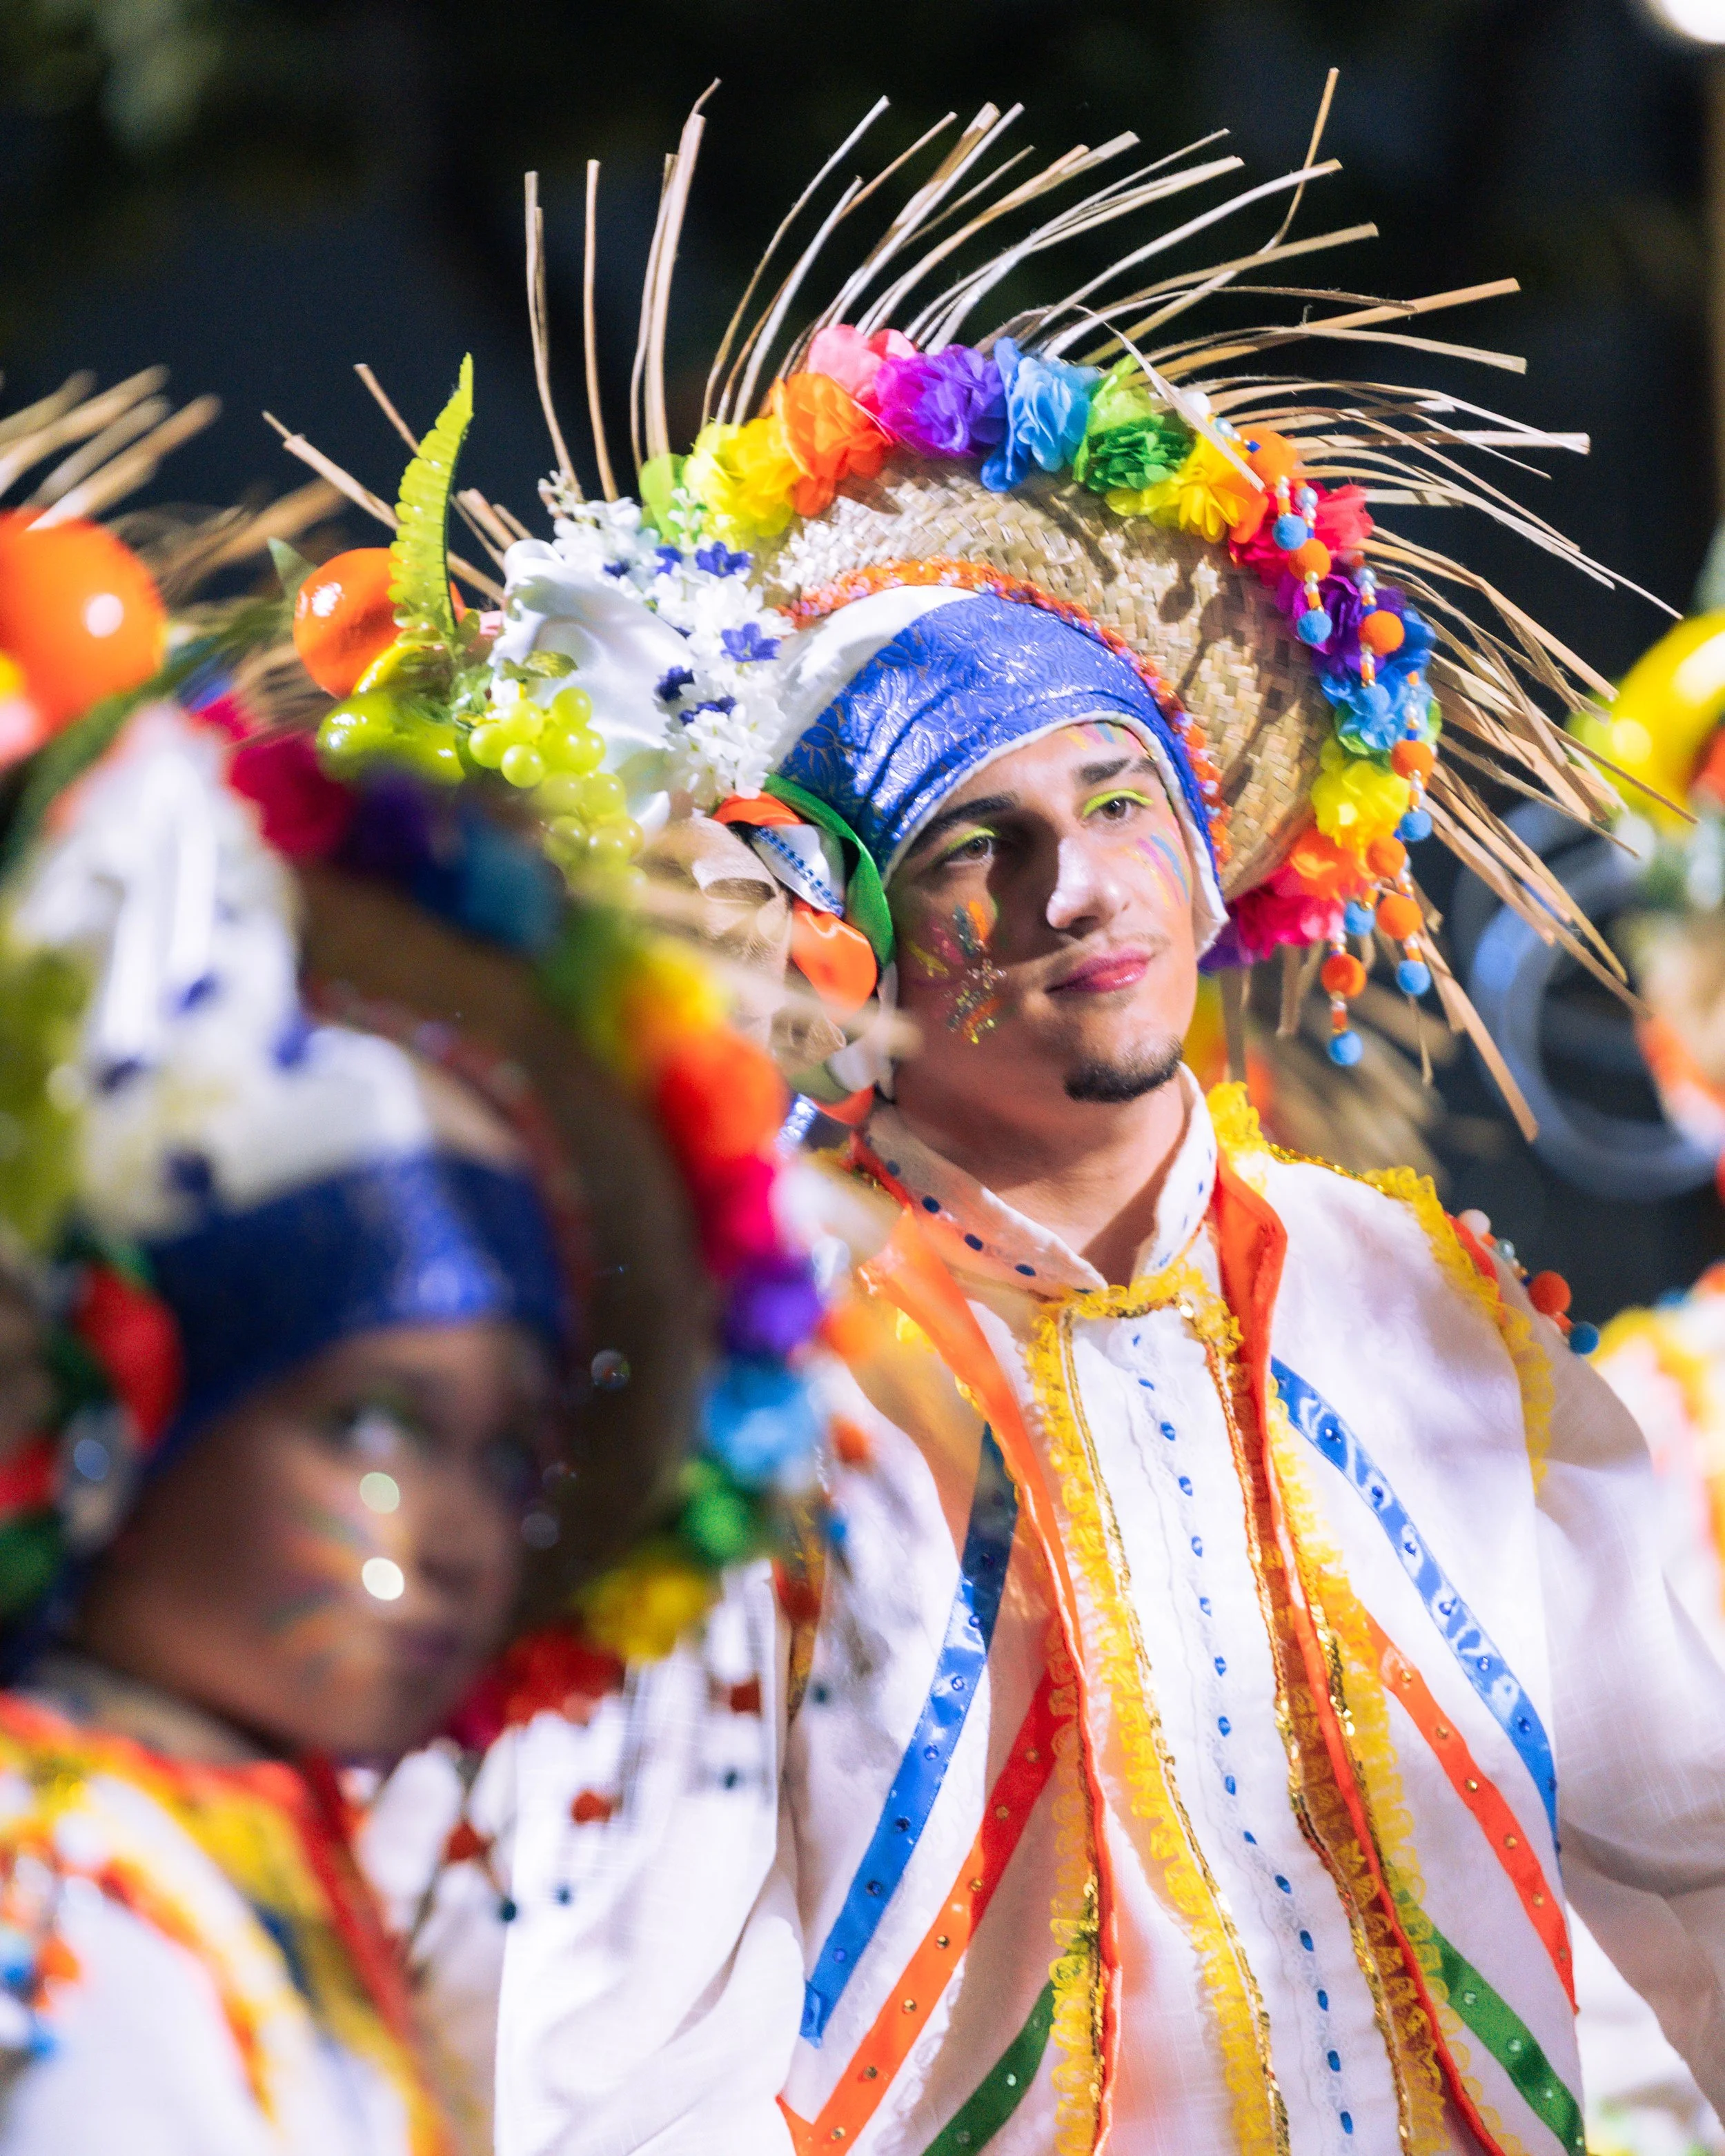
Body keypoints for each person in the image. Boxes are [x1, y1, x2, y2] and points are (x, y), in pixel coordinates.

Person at [277, 92, 1725, 2155]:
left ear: (1210, 850)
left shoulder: (1419, 1298)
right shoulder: (754, 1387)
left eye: (1120, 800)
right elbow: (629, 2058)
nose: (1079, 891)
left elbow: (1691, 1864)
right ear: (847, 927)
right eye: (978, 837)